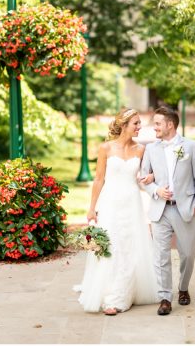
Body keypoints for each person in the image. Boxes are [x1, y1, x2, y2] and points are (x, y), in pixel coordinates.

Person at [75, 108, 160, 315]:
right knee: (111, 246)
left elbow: (148, 175)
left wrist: (150, 178)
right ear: (124, 125)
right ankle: (110, 295)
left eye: (140, 123)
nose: (140, 127)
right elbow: (99, 179)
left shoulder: (141, 149)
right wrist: (91, 208)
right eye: (136, 123)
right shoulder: (106, 148)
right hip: (110, 202)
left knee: (130, 247)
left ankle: (122, 295)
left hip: (132, 203)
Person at [138, 105, 195, 316]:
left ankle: (183, 287)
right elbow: (142, 179)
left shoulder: (192, 146)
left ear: (170, 124)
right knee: (161, 256)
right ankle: (165, 298)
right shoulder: (151, 149)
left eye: (157, 123)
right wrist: (156, 189)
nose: (154, 127)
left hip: (184, 209)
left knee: (188, 254)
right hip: (160, 210)